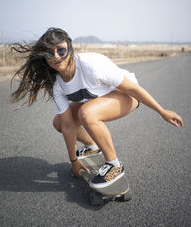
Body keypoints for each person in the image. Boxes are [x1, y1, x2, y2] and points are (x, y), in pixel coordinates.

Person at [11, 27, 183, 189]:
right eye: (50, 53)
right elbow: (68, 125)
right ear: (45, 58)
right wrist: (73, 160)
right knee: (59, 122)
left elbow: (132, 89)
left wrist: (162, 111)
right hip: (97, 100)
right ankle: (91, 145)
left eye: (61, 50)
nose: (56, 56)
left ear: (70, 49)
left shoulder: (91, 65)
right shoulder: (56, 84)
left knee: (87, 113)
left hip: (128, 96)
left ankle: (114, 165)